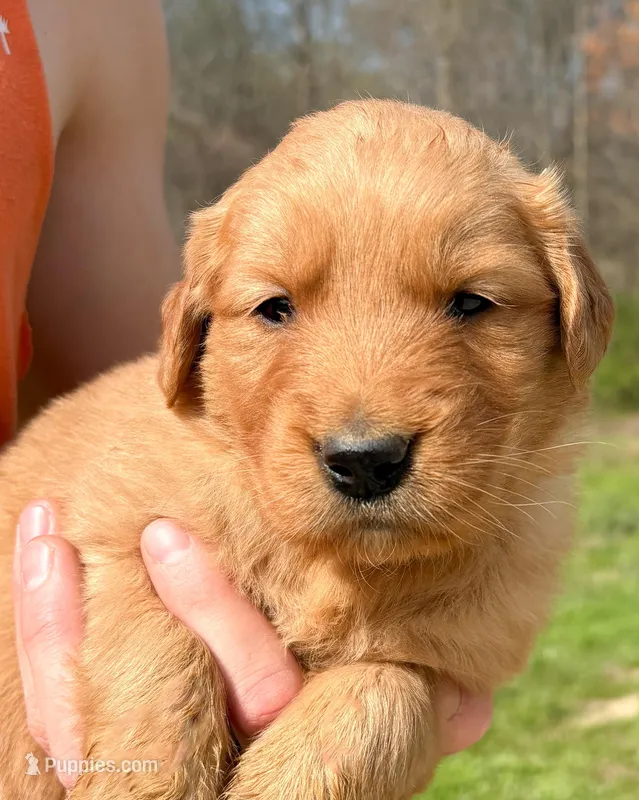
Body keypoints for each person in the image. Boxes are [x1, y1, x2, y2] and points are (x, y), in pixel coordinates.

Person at [2, 0, 492, 788]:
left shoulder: (84, 18)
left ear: (577, 326)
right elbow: (106, 477)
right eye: (275, 308)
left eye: (470, 303)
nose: (362, 422)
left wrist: (385, 701)